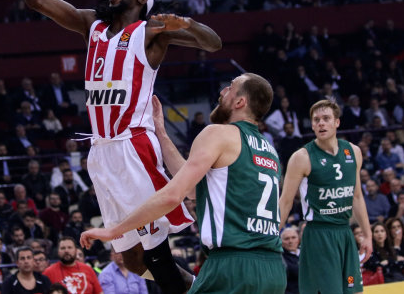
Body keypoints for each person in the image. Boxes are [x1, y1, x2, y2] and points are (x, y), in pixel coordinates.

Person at [0, 0, 222, 294]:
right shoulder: (91, 26)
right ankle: (199, 287)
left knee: (156, 249)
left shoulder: (150, 30)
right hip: (100, 153)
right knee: (131, 259)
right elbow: (37, 1)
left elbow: (214, 44)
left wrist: (189, 25)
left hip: (133, 146)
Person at [81, 74, 287, 293]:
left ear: (239, 102)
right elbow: (193, 190)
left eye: (230, 88)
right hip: (273, 268)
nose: (222, 92)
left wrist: (114, 231)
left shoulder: (218, 133)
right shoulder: (269, 150)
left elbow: (173, 195)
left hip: (233, 265)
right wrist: (161, 133)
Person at [279, 99, 372, 294]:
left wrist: (367, 234)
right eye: (316, 120)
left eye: (326, 118)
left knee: (354, 291)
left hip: (345, 232)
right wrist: (270, 237)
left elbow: (356, 196)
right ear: (312, 125)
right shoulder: (302, 157)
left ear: (337, 122)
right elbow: (286, 201)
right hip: (318, 234)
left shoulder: (353, 152)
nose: (321, 123)